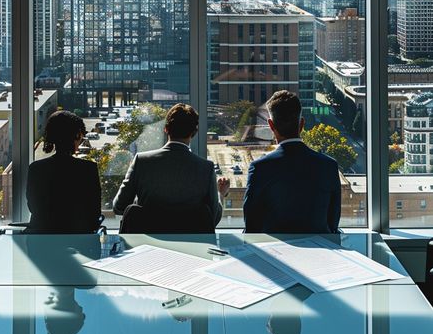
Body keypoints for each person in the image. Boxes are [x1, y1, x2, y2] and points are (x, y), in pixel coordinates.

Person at [113, 103, 230, 228]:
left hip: (148, 243)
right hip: (190, 243)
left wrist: (141, 204)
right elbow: (213, 218)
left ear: (166, 129)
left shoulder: (141, 161)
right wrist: (220, 194)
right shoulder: (206, 168)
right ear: (194, 132)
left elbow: (119, 206)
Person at [243, 90, 341, 234]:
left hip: (274, 253)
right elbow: (333, 224)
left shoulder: (260, 168)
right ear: (301, 124)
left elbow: (251, 225)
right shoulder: (329, 166)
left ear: (271, 126)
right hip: (320, 251)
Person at [26, 110, 101, 234]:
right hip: (79, 240)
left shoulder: (36, 168)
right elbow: (94, 212)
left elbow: (33, 208)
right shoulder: (88, 169)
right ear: (77, 136)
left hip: (41, 240)